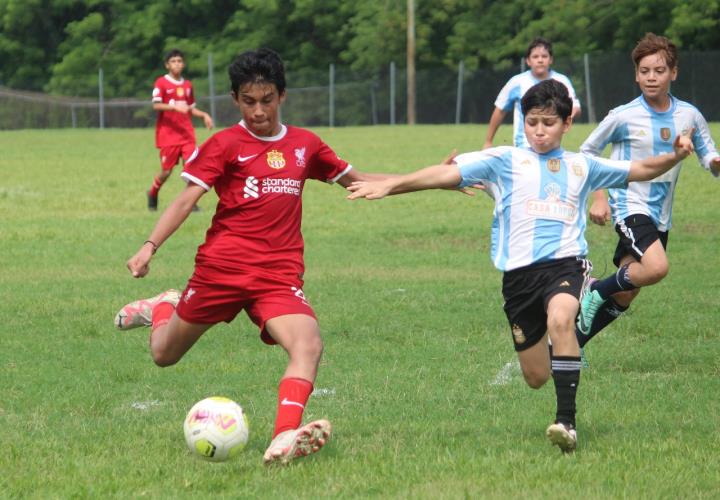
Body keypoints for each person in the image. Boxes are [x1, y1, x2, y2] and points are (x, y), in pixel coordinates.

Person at [347, 79, 694, 453]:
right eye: (532, 122)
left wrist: (674, 156)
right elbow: (442, 174)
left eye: (548, 123)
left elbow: (641, 168)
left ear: (566, 124)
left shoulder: (582, 165)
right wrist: (390, 186)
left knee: (561, 319)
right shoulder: (505, 160)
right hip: (519, 280)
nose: (539, 131)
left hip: (566, 266)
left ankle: (567, 424)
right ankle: (561, 350)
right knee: (535, 376)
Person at [115, 48, 395, 465]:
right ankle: (163, 307)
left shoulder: (306, 145)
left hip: (277, 277)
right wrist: (149, 245)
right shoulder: (224, 144)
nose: (259, 111)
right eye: (249, 101)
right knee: (163, 354)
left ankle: (284, 436)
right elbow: (184, 199)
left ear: (282, 95)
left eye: (267, 100)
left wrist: (432, 180)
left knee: (309, 344)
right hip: (222, 271)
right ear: (235, 99)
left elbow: (359, 179)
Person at [576, 33, 720, 348]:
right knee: (656, 267)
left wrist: (715, 162)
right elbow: (587, 154)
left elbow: (708, 154)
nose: (651, 77)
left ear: (674, 72)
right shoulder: (623, 115)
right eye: (644, 71)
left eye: (659, 70)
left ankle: (569, 346)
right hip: (629, 204)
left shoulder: (689, 115)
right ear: (636, 74)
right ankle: (596, 288)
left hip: (661, 214)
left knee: (627, 291)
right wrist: (599, 197)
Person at [484, 37, 581, 150]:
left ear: (551, 60)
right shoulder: (517, 82)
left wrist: (562, 119)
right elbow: (500, 110)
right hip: (523, 147)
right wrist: (488, 141)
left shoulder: (562, 81)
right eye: (535, 56)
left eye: (544, 56)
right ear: (528, 61)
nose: (540, 60)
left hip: (552, 146)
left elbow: (575, 107)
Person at [147, 49, 214, 211]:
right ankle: (153, 192)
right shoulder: (161, 83)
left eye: (179, 61)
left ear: (183, 64)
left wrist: (203, 115)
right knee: (166, 171)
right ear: (167, 65)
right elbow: (156, 105)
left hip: (186, 134)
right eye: (173, 61)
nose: (177, 64)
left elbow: (190, 108)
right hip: (168, 136)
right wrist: (174, 106)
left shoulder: (187, 85)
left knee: (192, 167)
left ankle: (190, 202)